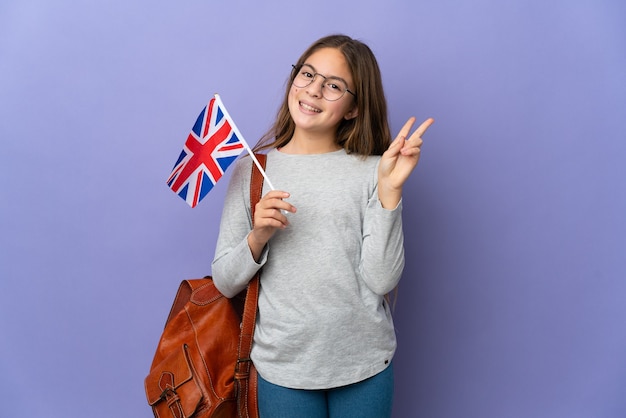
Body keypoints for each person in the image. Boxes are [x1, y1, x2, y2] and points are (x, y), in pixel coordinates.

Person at [212, 34, 433, 418]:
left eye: (333, 85)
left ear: (352, 109)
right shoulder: (251, 172)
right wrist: (258, 236)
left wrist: (390, 191)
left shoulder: (374, 171)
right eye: (308, 74)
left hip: (364, 365)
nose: (314, 89)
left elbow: (381, 280)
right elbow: (225, 282)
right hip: (281, 368)